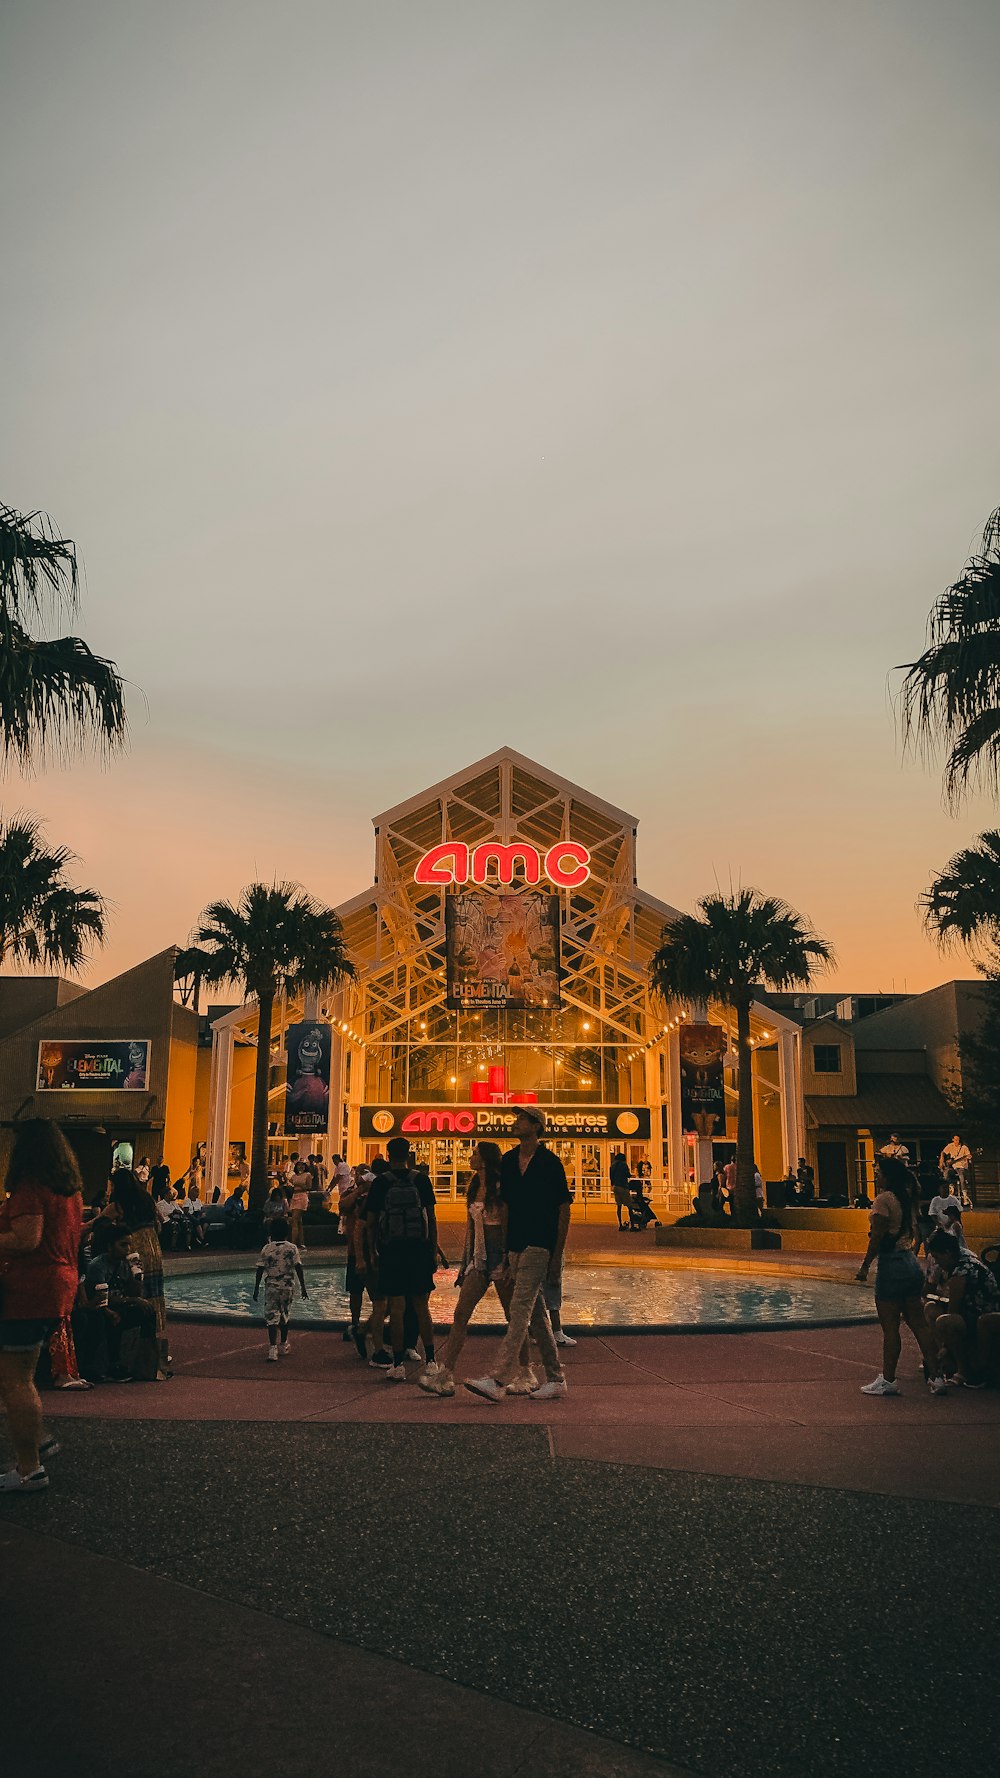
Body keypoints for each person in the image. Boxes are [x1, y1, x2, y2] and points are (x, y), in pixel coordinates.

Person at [0, 1120, 85, 1491]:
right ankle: (34, 1441)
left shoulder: (30, 1188)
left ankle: (29, 1467)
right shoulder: (68, 1191)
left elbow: (25, 1239)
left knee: (15, 1380)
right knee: (22, 1373)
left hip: (27, 1291)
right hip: (56, 1289)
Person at [465, 1106, 569, 1404]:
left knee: (519, 1309)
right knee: (535, 1314)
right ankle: (556, 1378)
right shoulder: (510, 1161)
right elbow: (506, 1206)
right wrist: (507, 1249)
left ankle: (498, 1378)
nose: (516, 1121)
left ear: (536, 1126)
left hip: (540, 1244)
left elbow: (563, 1209)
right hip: (517, 1245)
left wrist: (556, 1255)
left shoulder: (550, 1163)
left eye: (522, 1118)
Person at [420, 1144, 534, 1397]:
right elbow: (472, 1231)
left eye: (474, 1155)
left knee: (513, 1318)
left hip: (500, 1259)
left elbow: (508, 1227)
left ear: (484, 1160)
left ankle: (526, 1371)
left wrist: (508, 1262)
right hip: (478, 1260)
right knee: (460, 1314)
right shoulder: (474, 1188)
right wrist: (466, 1264)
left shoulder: (500, 1189)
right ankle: (446, 1373)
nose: (470, 1158)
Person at [854, 1155, 947, 1396]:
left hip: (892, 1264)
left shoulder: (883, 1201)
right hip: (909, 1262)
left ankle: (888, 1379)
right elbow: (915, 1231)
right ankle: (937, 1377)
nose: (877, 1176)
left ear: (888, 1176)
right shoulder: (907, 1199)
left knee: (891, 1327)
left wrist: (865, 1265)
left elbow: (876, 1237)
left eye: (879, 1172)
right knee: (918, 1323)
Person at [365, 1137, 438, 1381]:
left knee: (396, 1309)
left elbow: (371, 1222)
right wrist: (432, 1249)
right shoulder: (421, 1179)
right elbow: (431, 1217)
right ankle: (431, 1360)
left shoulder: (381, 1183)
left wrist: (373, 1251)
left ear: (388, 1154)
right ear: (409, 1154)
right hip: (417, 1249)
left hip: (391, 1251)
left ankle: (397, 1364)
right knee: (421, 1306)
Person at [110, 1169, 170, 1377]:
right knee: (155, 1293)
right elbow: (160, 1223)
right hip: (152, 1245)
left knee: (136, 1289)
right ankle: (155, 1344)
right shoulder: (146, 1199)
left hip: (134, 1244)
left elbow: (100, 1222)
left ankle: (135, 1345)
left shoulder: (119, 1204)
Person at [924, 1231, 1000, 1386]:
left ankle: (962, 1369)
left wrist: (945, 1346)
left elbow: (954, 1308)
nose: (936, 1262)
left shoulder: (963, 1269)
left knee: (947, 1322)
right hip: (971, 1311)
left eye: (937, 1257)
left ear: (947, 1253)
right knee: (930, 1308)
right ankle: (949, 1362)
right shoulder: (957, 1264)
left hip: (981, 1313)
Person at [84, 1223, 158, 1377]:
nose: (128, 1249)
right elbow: (100, 1298)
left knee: (148, 1312)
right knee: (111, 1318)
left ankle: (146, 1359)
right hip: (99, 1307)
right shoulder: (98, 1266)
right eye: (123, 1245)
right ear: (110, 1246)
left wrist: (137, 1276)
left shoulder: (125, 1264)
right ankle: (113, 1364)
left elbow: (134, 1292)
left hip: (118, 1304)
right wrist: (134, 1300)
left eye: (129, 1244)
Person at [253, 1216, 307, 1360]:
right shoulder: (292, 1248)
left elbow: (260, 1269)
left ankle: (272, 1348)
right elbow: (298, 1267)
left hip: (271, 1286)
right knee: (284, 1314)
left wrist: (256, 1288)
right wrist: (303, 1286)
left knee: (271, 1316)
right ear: (286, 1232)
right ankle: (283, 1343)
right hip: (287, 1286)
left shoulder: (267, 1248)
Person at [939, 1134, 973, 1204]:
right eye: (955, 1139)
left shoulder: (964, 1147)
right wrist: (941, 1160)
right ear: (953, 1139)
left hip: (961, 1167)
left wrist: (969, 1159)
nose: (956, 1141)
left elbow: (969, 1156)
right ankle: (951, 1187)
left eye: (958, 1140)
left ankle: (965, 1196)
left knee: (961, 1176)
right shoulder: (950, 1146)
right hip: (953, 1167)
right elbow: (943, 1152)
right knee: (947, 1173)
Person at [289, 1162, 311, 1249]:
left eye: (302, 1165)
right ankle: (301, 1242)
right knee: (298, 1221)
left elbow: (309, 1186)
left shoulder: (307, 1175)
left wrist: (301, 1185)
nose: (300, 1167)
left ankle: (293, 1243)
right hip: (294, 1196)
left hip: (302, 1196)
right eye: (298, 1165)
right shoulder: (294, 1176)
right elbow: (290, 1183)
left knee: (295, 1219)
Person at [610, 1151, 633, 1231]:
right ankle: (632, 1225)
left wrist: (612, 1184)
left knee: (619, 1206)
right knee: (630, 1206)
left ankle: (620, 1224)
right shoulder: (623, 1165)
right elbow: (627, 1174)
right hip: (623, 1186)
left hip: (616, 1186)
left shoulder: (612, 1165)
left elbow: (611, 1176)